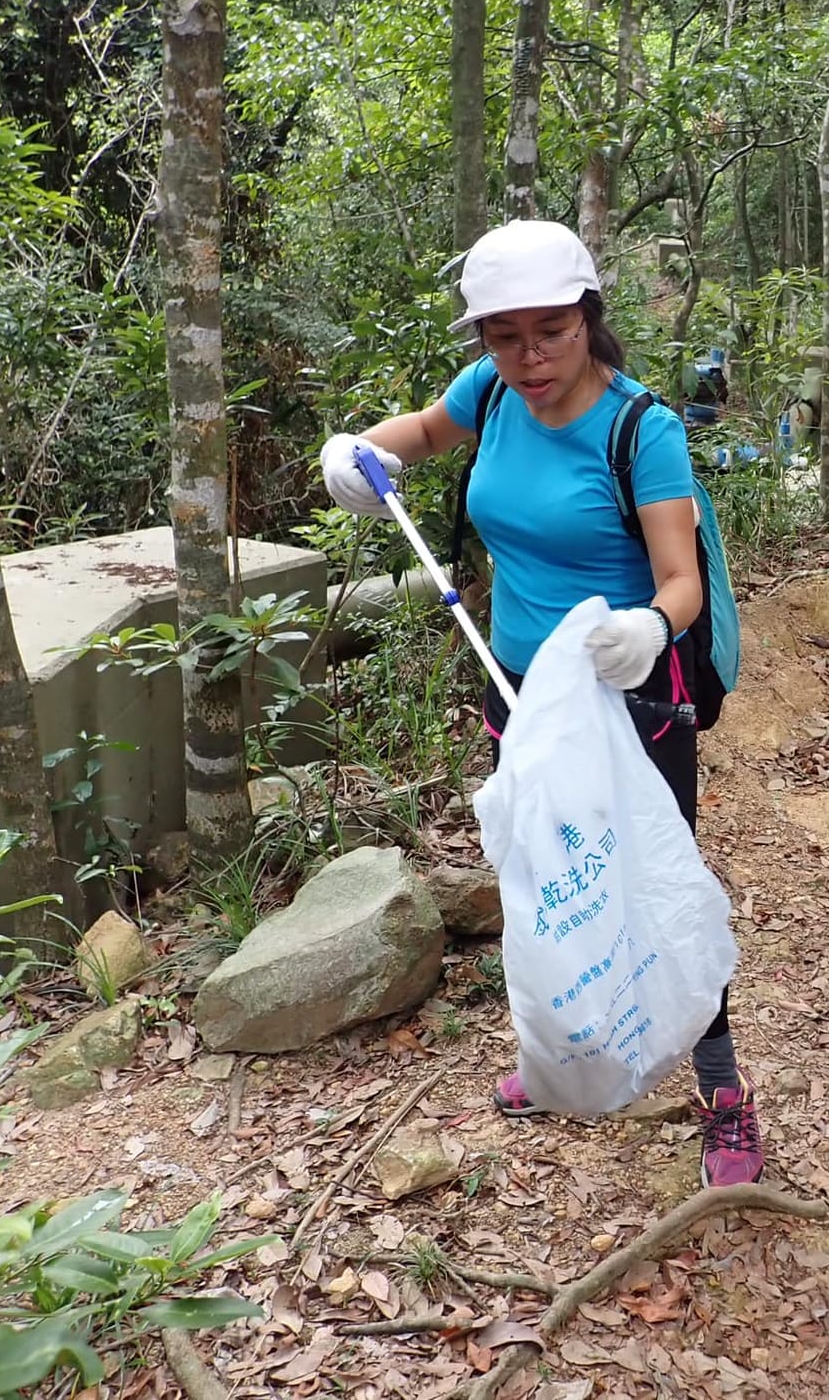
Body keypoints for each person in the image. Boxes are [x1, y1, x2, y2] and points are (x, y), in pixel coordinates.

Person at [317, 219, 763, 1188]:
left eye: (550, 331)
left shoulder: (640, 429)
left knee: (648, 883)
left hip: (624, 695)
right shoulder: (492, 392)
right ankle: (558, 1056)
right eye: (502, 334)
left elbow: (679, 579)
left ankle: (723, 1092)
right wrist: (361, 453)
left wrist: (650, 625)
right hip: (514, 681)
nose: (527, 357)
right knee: (541, 880)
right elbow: (429, 432)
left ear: (587, 320)